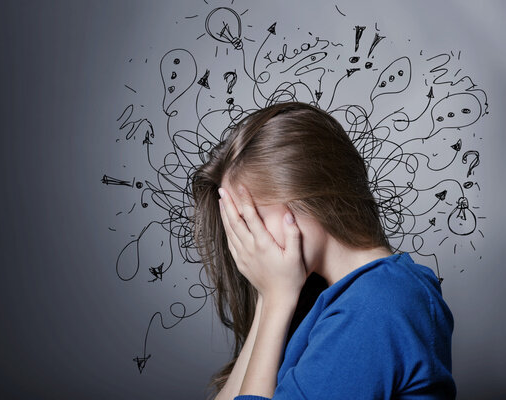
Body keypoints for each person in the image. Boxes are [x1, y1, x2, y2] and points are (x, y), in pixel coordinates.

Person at [190, 102, 456, 399]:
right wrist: (270, 297)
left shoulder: (376, 304)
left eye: (250, 220)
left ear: (303, 197)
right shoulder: (338, 299)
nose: (246, 243)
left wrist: (276, 298)